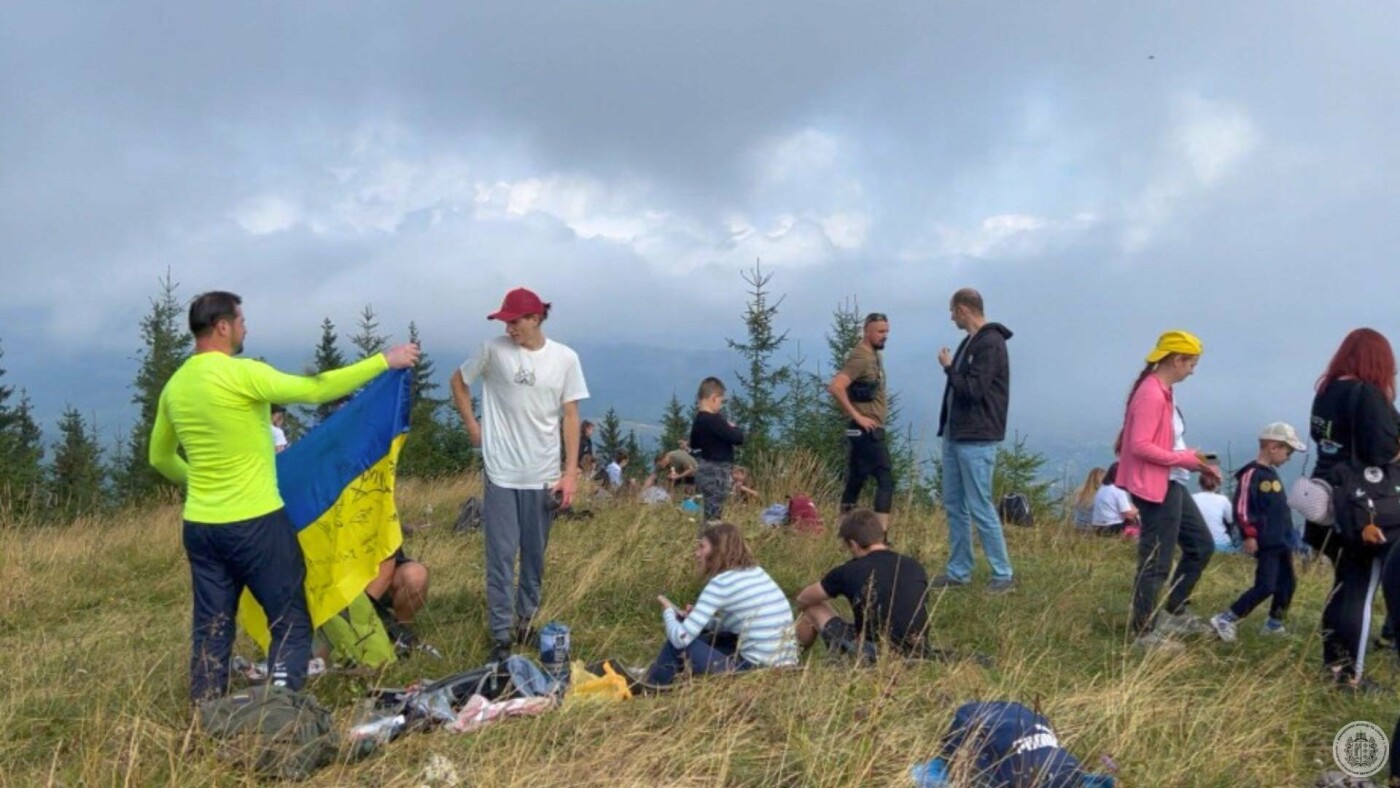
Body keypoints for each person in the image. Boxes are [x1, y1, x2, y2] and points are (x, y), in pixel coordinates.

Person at [148, 290, 419, 701]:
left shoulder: (175, 386)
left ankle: (206, 714)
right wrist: (385, 361)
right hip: (256, 524)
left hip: (201, 527)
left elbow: (159, 457)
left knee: (212, 624)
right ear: (222, 326)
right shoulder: (242, 374)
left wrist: (203, 483)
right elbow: (315, 390)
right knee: (290, 619)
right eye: (240, 320)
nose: (245, 327)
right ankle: (280, 711)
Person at [450, 287, 589, 662]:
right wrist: (472, 426)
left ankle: (526, 621)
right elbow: (458, 382)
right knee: (501, 554)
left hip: (543, 474)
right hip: (500, 471)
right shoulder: (491, 350)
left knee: (534, 557)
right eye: (505, 322)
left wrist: (570, 472)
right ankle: (500, 636)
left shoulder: (565, 358)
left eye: (515, 321)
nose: (509, 328)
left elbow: (571, 416)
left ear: (535, 318)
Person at [1115, 330, 1220, 651]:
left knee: (1201, 545)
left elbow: (1163, 442)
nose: (1193, 370)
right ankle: (1143, 632)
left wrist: (1195, 462)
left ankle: (1174, 609)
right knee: (1156, 560)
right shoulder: (1151, 393)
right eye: (1192, 363)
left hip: (1171, 481)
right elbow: (1140, 446)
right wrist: (1185, 459)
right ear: (1177, 360)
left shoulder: (1162, 390)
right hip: (1156, 485)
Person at [1310, 328, 1400, 692]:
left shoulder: (1327, 392)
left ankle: (1333, 663)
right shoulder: (1368, 395)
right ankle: (1351, 674)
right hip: (1367, 505)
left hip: (1328, 496)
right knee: (1361, 590)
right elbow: (1382, 451)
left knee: (1344, 585)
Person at [643, 523, 798, 685]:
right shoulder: (757, 572)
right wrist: (703, 621)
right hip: (785, 667)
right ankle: (659, 671)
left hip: (754, 671)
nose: (696, 553)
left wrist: (668, 612)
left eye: (701, 547)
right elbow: (741, 624)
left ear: (718, 551)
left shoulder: (721, 583)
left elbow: (681, 639)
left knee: (681, 640)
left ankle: (652, 683)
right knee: (713, 636)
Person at [933, 289, 1015, 593]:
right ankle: (959, 570)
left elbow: (974, 390)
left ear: (964, 310)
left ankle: (1003, 573)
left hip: (977, 437)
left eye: (953, 311)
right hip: (958, 434)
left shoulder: (990, 343)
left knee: (979, 504)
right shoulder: (969, 342)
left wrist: (948, 367)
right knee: (955, 504)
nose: (951, 316)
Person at [1208, 423, 1308, 641]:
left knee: (1288, 584)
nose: (1288, 458)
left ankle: (1274, 624)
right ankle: (1226, 618)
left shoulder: (1270, 474)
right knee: (1265, 585)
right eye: (1287, 452)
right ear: (1273, 447)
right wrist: (1249, 533)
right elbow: (1241, 507)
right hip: (1265, 541)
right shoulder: (1251, 474)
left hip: (1281, 540)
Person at [794, 509, 931, 661]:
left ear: (853, 544)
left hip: (872, 654)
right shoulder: (914, 566)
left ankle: (789, 657)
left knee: (813, 607)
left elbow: (803, 598)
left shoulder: (848, 570)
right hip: (916, 651)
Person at [828, 313, 894, 530]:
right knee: (885, 479)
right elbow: (836, 386)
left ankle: (843, 530)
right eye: (880, 331)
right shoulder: (862, 357)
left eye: (887, 331)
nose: (885, 336)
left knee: (856, 480)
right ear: (867, 331)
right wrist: (858, 417)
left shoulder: (875, 355)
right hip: (866, 429)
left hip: (864, 429)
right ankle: (881, 536)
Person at [689, 377, 745, 523]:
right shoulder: (714, 419)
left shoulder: (698, 421)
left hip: (704, 469)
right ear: (714, 398)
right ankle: (710, 543)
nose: (721, 405)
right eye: (721, 401)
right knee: (714, 515)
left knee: (709, 513)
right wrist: (733, 427)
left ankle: (705, 542)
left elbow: (694, 445)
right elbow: (737, 438)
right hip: (717, 471)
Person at [366, 548, 430, 637]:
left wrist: (363, 608)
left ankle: (398, 631)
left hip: (378, 578)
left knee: (416, 577)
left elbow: (385, 571)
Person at [1088, 462, 1139, 536]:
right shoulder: (1119, 490)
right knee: (1137, 518)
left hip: (1098, 528)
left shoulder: (1102, 488)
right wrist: (1140, 509)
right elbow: (1128, 514)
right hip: (1113, 528)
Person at [1192, 472, 1237, 553]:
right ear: (1217, 484)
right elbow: (1231, 520)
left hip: (1199, 543)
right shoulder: (1223, 499)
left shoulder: (1192, 498)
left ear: (1199, 484)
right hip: (1220, 544)